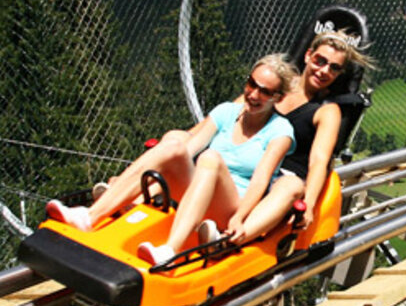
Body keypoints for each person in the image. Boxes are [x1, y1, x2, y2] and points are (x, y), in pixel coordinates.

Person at [47, 55, 297, 264]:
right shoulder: (227, 112)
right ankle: (91, 216)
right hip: (200, 191)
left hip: (231, 205)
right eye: (251, 84)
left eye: (264, 92)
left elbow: (260, 181)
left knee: (210, 158)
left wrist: (239, 217)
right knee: (175, 145)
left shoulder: (280, 131)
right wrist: (134, 180)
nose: (253, 94)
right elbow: (187, 147)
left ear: (277, 98)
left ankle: (169, 250)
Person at [244, 31, 372, 233]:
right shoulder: (279, 84)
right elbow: (238, 111)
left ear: (339, 74)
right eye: (320, 61)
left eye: (334, 68)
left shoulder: (327, 111)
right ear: (307, 56)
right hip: (252, 164)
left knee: (286, 188)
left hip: (284, 180)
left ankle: (232, 238)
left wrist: (309, 204)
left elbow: (319, 161)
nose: (324, 71)